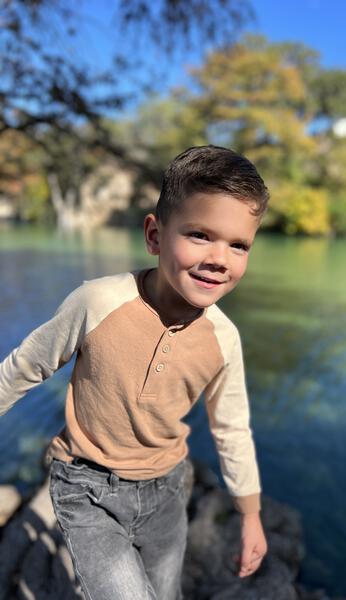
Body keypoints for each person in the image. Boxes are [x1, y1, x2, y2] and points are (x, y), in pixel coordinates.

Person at [0, 145, 269, 600]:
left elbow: (232, 428)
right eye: (200, 234)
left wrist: (250, 513)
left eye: (238, 244)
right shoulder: (97, 303)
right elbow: (24, 367)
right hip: (84, 486)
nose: (220, 258)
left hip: (166, 489)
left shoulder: (224, 339)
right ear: (154, 235)